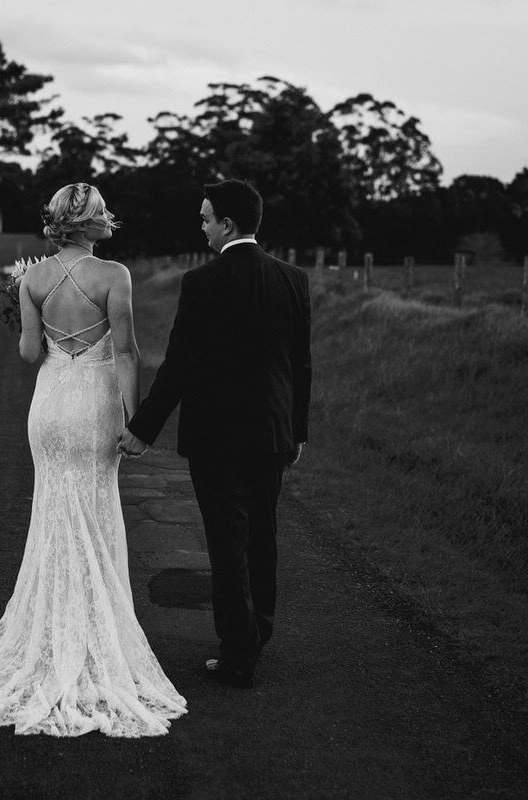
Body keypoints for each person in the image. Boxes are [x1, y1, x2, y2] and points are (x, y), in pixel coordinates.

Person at [0, 183, 187, 737]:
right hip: (93, 404)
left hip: (49, 405)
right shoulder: (114, 275)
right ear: (87, 223)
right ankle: (90, 638)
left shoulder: (33, 279)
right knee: (93, 509)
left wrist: (30, 317)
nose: (111, 218)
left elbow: (29, 353)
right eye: (103, 212)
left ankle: (49, 636)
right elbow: (127, 352)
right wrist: (136, 421)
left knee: (53, 513)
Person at [118, 179, 311, 690]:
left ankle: (238, 654)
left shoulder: (201, 282)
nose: (201, 227)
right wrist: (298, 430)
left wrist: (142, 429)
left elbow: (180, 364)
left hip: (217, 436)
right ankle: (256, 635)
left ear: (227, 224)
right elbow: (300, 363)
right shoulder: (293, 278)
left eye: (206, 219)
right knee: (263, 536)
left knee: (227, 542)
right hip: (272, 432)